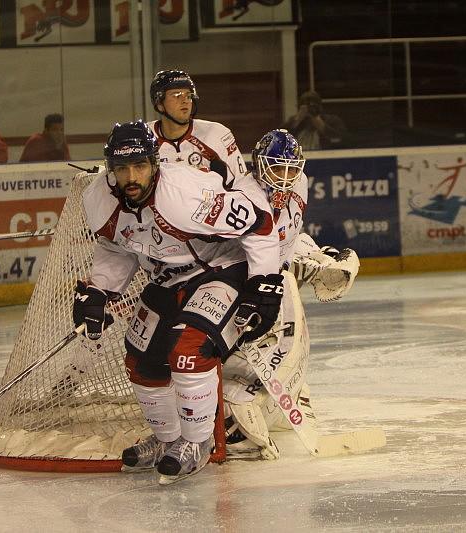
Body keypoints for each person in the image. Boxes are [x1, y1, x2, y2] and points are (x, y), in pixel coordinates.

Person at [73, 120, 282, 484]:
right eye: (122, 168)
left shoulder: (186, 196)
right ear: (110, 169)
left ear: (155, 163)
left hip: (222, 267)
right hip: (168, 277)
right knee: (140, 359)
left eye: (140, 165)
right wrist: (101, 290)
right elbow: (117, 247)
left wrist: (264, 284)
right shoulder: (98, 199)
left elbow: (260, 223)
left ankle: (198, 443)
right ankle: (168, 439)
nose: (131, 177)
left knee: (189, 350)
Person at [220, 129, 360, 459]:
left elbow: (287, 236)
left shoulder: (300, 183)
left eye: (290, 168)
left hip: (273, 279)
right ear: (259, 165)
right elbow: (246, 249)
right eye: (277, 168)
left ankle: (277, 397)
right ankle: (229, 411)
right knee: (236, 348)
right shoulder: (244, 195)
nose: (285, 176)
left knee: (283, 341)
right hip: (237, 280)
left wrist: (316, 254)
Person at [148, 69, 247, 186]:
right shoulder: (144, 138)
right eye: (176, 95)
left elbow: (243, 184)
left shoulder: (215, 134)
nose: (185, 101)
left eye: (188, 95)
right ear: (159, 104)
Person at [282, 90, 347, 150]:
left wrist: (318, 121)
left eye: (312, 106)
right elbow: (279, 139)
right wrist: (297, 120)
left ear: (320, 107)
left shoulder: (331, 120)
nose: (309, 110)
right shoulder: (295, 122)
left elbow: (339, 139)